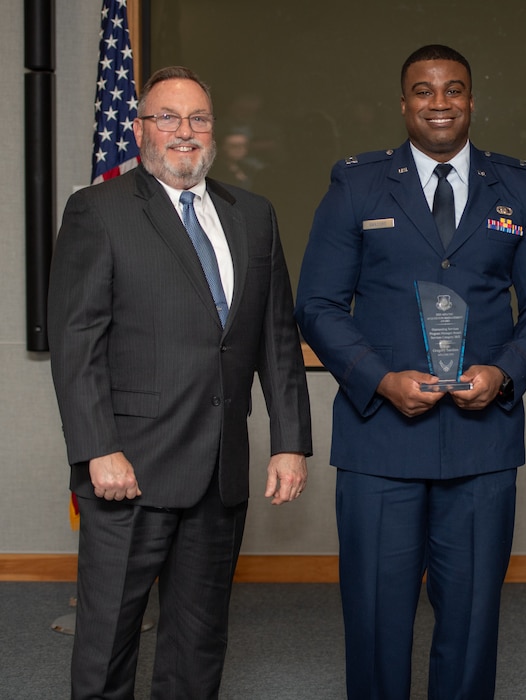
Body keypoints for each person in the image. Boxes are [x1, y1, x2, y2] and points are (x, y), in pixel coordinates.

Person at [295, 44, 526, 699]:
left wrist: (503, 372)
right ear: (403, 103)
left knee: (471, 622)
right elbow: (317, 304)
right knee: (375, 621)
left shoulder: (519, 186)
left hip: (481, 440)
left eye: (452, 90)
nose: (438, 103)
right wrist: (377, 378)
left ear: (472, 100)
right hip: (380, 439)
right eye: (423, 91)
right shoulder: (357, 183)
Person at [47, 66, 312, 699]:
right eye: (167, 117)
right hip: (128, 470)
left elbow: (276, 336)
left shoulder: (251, 214)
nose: (184, 132)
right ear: (141, 129)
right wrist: (96, 448)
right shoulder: (98, 210)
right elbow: (75, 340)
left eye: (198, 119)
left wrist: (289, 440)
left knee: (198, 642)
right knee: (108, 641)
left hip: (220, 470)